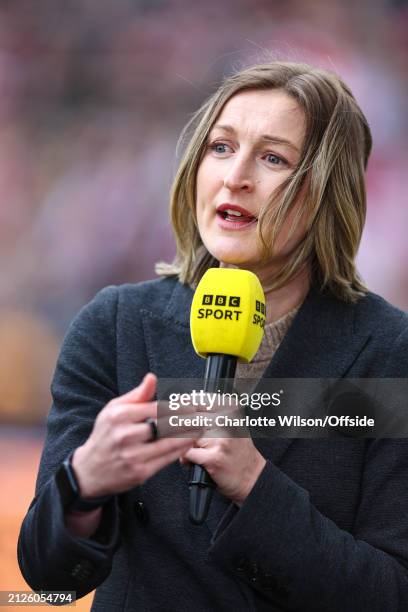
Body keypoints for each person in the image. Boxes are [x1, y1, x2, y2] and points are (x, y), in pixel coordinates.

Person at [18, 62, 408, 611]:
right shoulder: (115, 325)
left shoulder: (389, 350)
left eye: (273, 158)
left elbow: (392, 594)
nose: (235, 177)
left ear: (326, 190)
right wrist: (84, 484)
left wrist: (257, 487)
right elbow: (50, 583)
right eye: (221, 148)